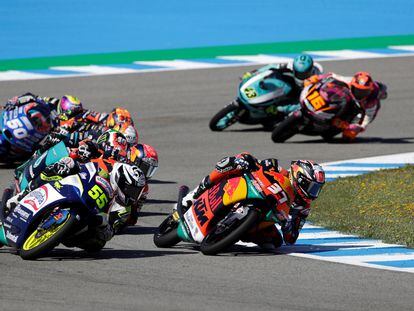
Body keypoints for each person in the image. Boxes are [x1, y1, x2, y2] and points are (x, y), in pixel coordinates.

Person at [181, 153, 325, 250]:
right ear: (299, 178)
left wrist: (287, 224)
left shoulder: (303, 207)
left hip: (263, 217)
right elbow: (259, 165)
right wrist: (246, 163)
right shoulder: (277, 168)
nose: (313, 193)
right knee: (239, 160)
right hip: (250, 189)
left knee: (274, 243)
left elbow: (291, 238)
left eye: (316, 189)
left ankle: (236, 233)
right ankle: (198, 191)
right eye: (312, 187)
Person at [304, 72, 387, 140]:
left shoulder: (371, 100)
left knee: (349, 135)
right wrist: (316, 78)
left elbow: (367, 118)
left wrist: (356, 126)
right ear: (352, 84)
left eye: (364, 92)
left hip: (360, 109)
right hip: (348, 99)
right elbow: (332, 75)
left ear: (370, 90)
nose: (360, 94)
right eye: (358, 90)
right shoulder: (349, 80)